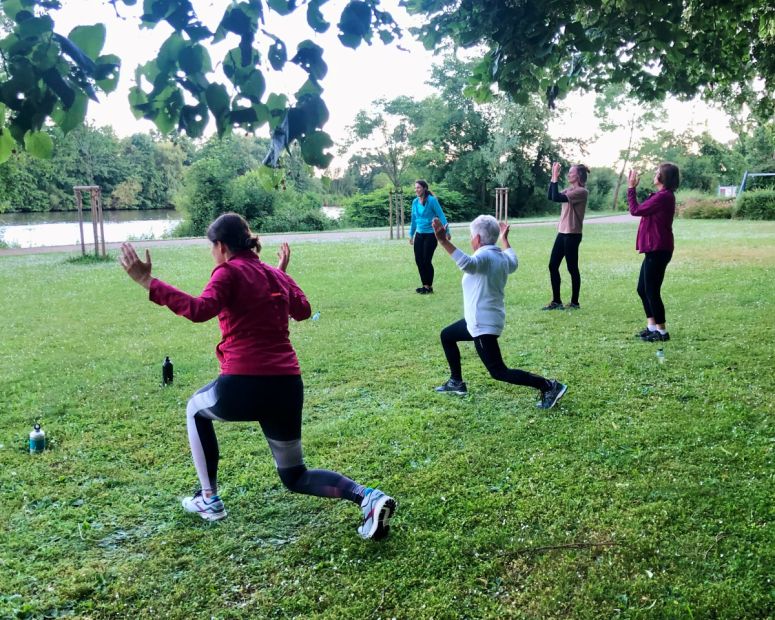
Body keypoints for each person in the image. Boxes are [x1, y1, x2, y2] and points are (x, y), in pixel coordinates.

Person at [119, 213, 396, 540]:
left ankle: (209, 499)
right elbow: (303, 310)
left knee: (195, 408)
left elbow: (199, 310)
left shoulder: (227, 271)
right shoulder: (274, 275)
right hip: (287, 386)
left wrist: (148, 282)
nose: (212, 254)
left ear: (221, 246)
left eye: (212, 248)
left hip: (245, 382)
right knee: (295, 476)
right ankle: (368, 497)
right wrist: (279, 276)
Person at [430, 215, 568, 409]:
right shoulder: (501, 257)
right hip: (482, 320)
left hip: (482, 324)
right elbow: (514, 260)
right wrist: (504, 239)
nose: (471, 240)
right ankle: (456, 382)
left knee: (498, 371)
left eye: (471, 236)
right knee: (447, 335)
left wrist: (443, 241)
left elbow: (467, 264)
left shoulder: (483, 256)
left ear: (477, 239)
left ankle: (549, 386)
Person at [627, 163, 679, 342]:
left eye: (657, 173)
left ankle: (662, 332)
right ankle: (652, 327)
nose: (654, 175)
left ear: (663, 177)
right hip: (654, 249)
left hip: (659, 249)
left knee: (652, 291)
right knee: (642, 289)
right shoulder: (661, 196)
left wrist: (631, 188)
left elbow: (635, 210)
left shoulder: (664, 197)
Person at [543, 162, 590, 310]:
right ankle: (556, 301)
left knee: (572, 268)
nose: (568, 175)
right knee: (553, 266)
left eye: (571, 173)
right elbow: (552, 196)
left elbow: (557, 197)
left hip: (572, 234)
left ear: (579, 176)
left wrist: (555, 176)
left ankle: (575, 302)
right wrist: (553, 177)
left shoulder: (581, 192)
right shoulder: (569, 190)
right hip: (562, 233)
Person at [409, 179, 449, 294]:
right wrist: (411, 234)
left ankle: (429, 287)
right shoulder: (415, 202)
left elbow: (441, 215)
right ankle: (424, 285)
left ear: (424, 189)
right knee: (419, 260)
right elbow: (413, 220)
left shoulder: (432, 201)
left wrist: (447, 231)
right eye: (415, 188)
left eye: (418, 188)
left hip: (431, 235)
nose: (416, 190)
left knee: (426, 260)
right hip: (419, 235)